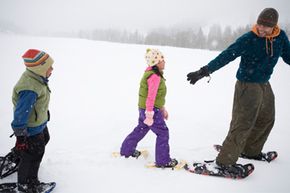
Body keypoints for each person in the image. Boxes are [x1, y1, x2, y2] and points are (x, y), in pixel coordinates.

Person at [187, 8, 290, 175]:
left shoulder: (280, 37)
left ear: (274, 26)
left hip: (264, 83)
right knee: (242, 123)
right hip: (247, 85)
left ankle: (251, 150)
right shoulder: (249, 39)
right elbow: (227, 55)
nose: (262, 29)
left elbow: (288, 56)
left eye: (266, 26)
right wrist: (205, 70)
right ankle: (223, 162)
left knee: (266, 119)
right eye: (260, 24)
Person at [120, 48, 178, 168]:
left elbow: (157, 96)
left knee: (141, 128)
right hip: (150, 110)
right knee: (163, 133)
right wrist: (150, 114)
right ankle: (163, 160)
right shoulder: (154, 77)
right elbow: (151, 97)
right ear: (156, 63)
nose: (165, 61)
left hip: (146, 109)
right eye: (162, 59)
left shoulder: (152, 74)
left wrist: (162, 109)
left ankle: (127, 150)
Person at [11, 49, 54, 192]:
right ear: (40, 68)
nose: (52, 69)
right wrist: (21, 136)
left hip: (38, 124)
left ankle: (18, 156)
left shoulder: (37, 78)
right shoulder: (30, 88)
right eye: (49, 67)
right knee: (34, 154)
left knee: (44, 139)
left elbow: (37, 103)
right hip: (29, 129)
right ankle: (28, 183)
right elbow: (21, 113)